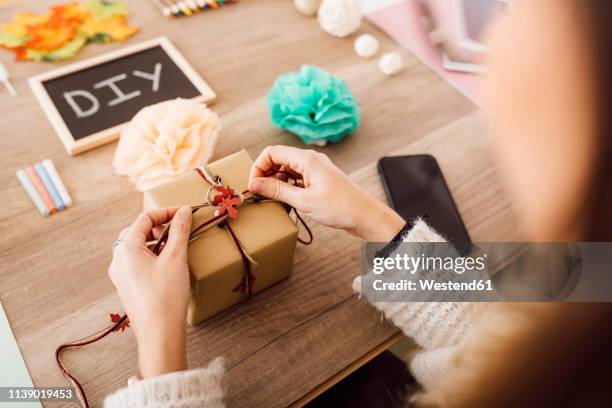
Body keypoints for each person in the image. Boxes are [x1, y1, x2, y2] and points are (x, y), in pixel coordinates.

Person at [104, 0, 612, 407]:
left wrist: (159, 347)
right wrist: (374, 221)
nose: (498, 60)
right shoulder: (577, 333)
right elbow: (486, 347)